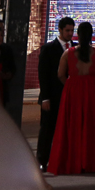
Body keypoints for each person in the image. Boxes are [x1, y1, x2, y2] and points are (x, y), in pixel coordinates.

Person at [47, 22, 95, 175]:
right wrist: (92, 83)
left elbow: (60, 74)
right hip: (91, 90)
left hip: (73, 89)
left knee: (71, 124)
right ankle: (89, 161)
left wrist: (70, 85)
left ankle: (71, 160)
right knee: (90, 125)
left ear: (77, 35)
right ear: (91, 35)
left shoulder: (68, 53)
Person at [37, 17, 74, 170]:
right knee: (47, 129)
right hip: (52, 96)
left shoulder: (75, 48)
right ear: (60, 30)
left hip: (69, 96)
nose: (70, 33)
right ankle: (42, 161)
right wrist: (45, 98)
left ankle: (63, 160)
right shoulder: (49, 49)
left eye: (72, 30)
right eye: (67, 30)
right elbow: (43, 74)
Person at [0, 19, 17, 111]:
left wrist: (8, 74)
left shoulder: (6, 49)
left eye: (2, 33)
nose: (0, 37)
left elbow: (12, 67)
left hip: (2, 88)